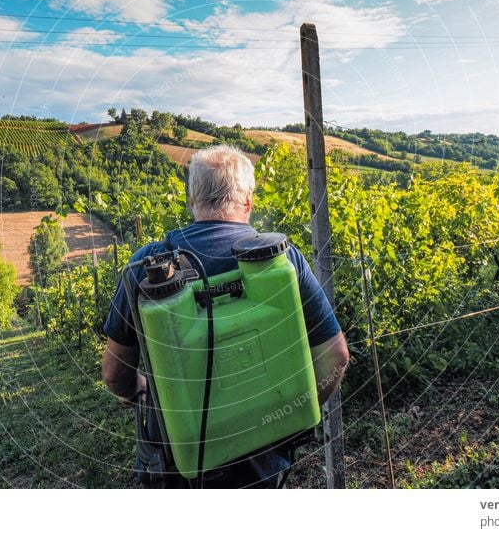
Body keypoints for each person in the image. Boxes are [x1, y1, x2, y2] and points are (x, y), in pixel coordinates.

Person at [102, 144, 350, 488]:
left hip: (178, 460)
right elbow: (336, 357)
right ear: (248, 200)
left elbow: (116, 373)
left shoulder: (146, 265)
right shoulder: (282, 259)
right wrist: (289, 415)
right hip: (264, 459)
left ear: (192, 199)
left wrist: (137, 391)